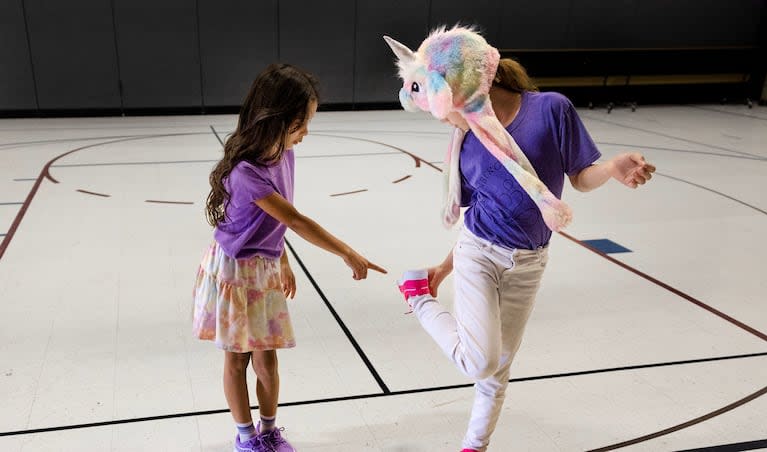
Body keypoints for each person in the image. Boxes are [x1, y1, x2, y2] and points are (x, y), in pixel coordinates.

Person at [397, 58, 656, 452]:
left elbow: (581, 178)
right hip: (478, 254)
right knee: (479, 362)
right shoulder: (466, 140)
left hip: (530, 262)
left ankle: (474, 446)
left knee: (497, 368)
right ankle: (418, 298)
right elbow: (477, 213)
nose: (444, 121)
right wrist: (447, 269)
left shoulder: (550, 109)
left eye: (442, 109)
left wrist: (612, 168)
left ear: (463, 91)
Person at [193, 63, 386, 452]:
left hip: (263, 269)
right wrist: (347, 253)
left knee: (268, 361)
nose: (305, 134)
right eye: (299, 124)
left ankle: (268, 430)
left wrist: (280, 259)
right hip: (235, 271)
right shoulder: (246, 172)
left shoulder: (284, 156)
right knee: (237, 360)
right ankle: (245, 437)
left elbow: (275, 222)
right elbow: (295, 220)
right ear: (274, 119)